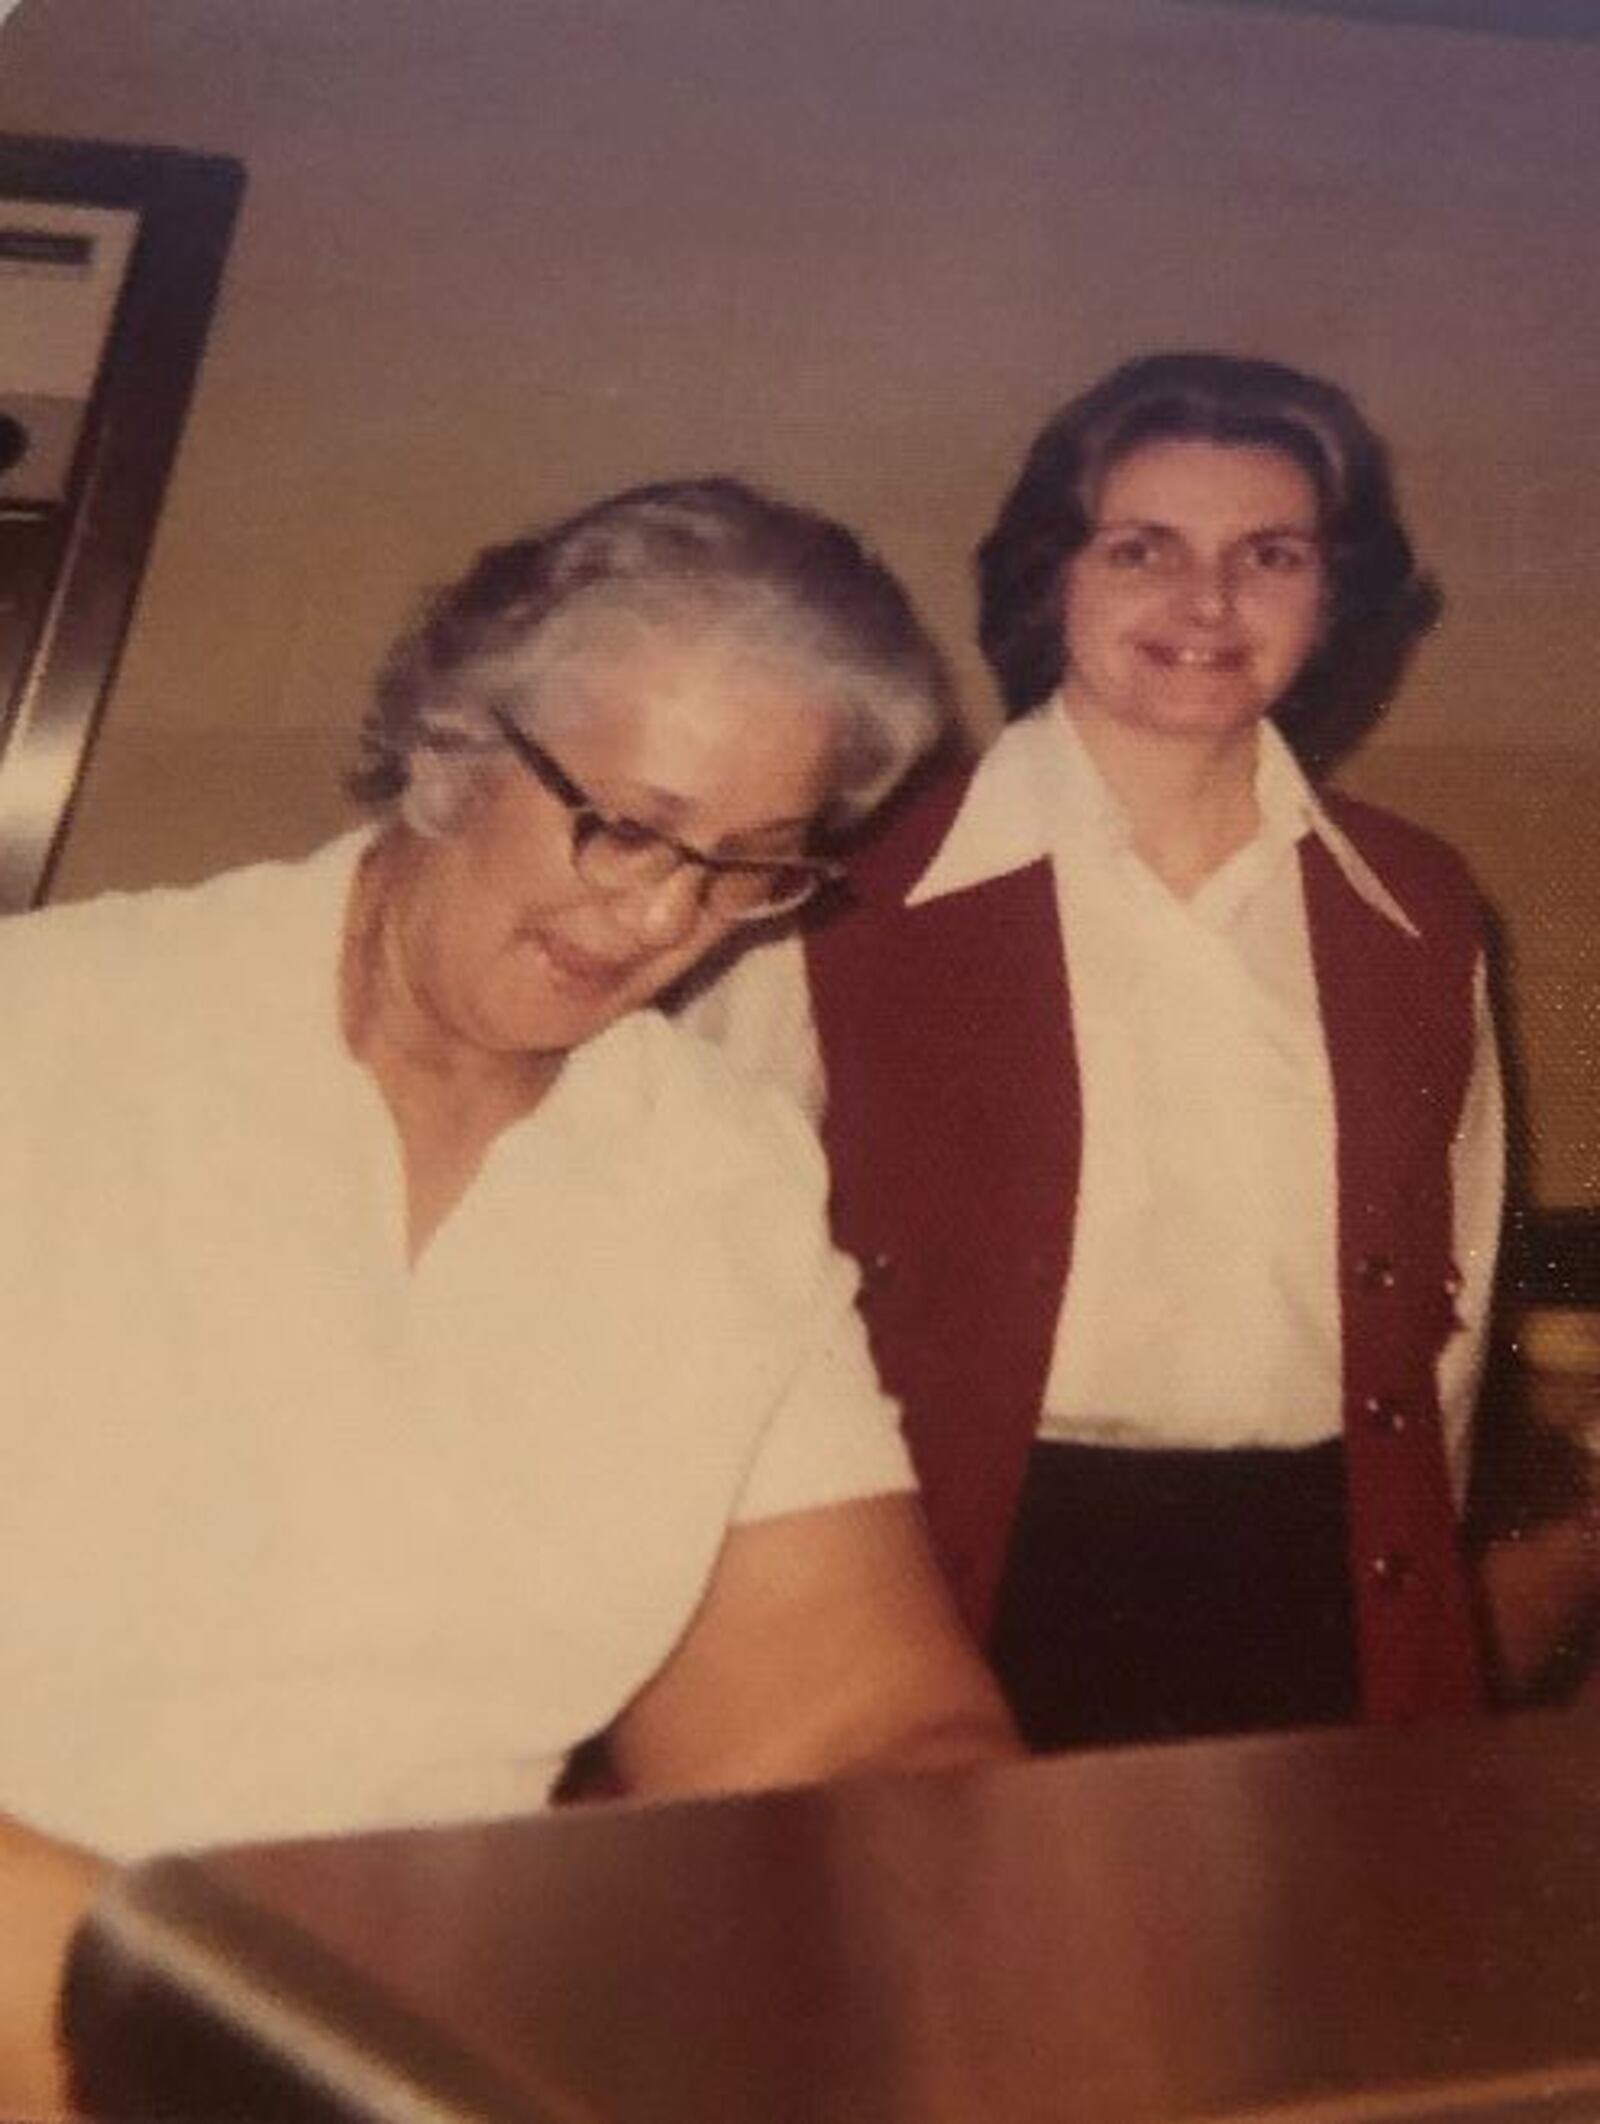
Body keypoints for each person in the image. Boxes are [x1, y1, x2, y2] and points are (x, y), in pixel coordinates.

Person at [0, 477, 1019, 2112]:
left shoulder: (713, 1179)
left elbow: (849, 1730)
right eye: (623, 824)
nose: (661, 919)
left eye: (752, 871)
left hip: (407, 2058)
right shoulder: (42, 1047)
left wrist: (964, 1947)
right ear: (446, 741)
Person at [685, 353, 1505, 1752]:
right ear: (1050, 576)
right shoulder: (848, 887)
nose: (1206, 605)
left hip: (1323, 1584)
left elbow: (1468, 1292)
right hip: (942, 1581)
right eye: (1143, 550)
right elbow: (699, 1278)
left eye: (1270, 555)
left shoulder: (1419, 904)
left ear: (1333, 593)